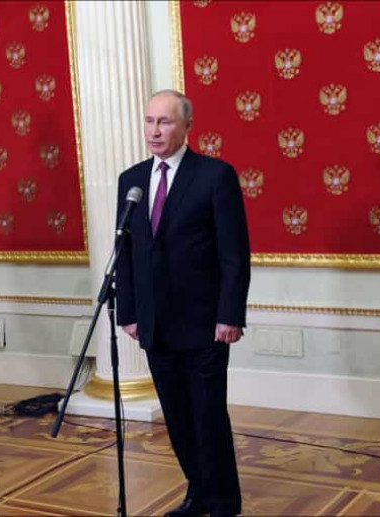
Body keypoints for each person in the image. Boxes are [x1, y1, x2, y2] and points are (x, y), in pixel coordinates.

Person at [116, 89, 250, 517]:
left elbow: (234, 254)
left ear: (187, 126)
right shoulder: (132, 180)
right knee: (175, 417)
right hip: (155, 324)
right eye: (149, 121)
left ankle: (224, 502)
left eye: (165, 121)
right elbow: (127, 253)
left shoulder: (214, 176)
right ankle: (199, 491)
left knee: (207, 415)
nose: (154, 130)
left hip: (205, 323)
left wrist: (230, 314)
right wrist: (129, 313)